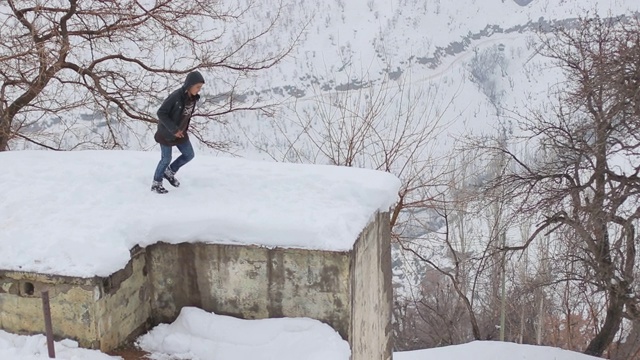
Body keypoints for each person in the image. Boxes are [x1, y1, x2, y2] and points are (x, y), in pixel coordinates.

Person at [151, 71, 205, 194]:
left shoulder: (193, 99)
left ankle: (169, 172)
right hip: (167, 133)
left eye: (200, 88)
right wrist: (174, 129)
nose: (198, 90)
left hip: (180, 133)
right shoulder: (175, 96)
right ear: (190, 85)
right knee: (166, 159)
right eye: (197, 87)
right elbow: (161, 113)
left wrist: (181, 129)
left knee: (189, 154)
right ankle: (156, 183)